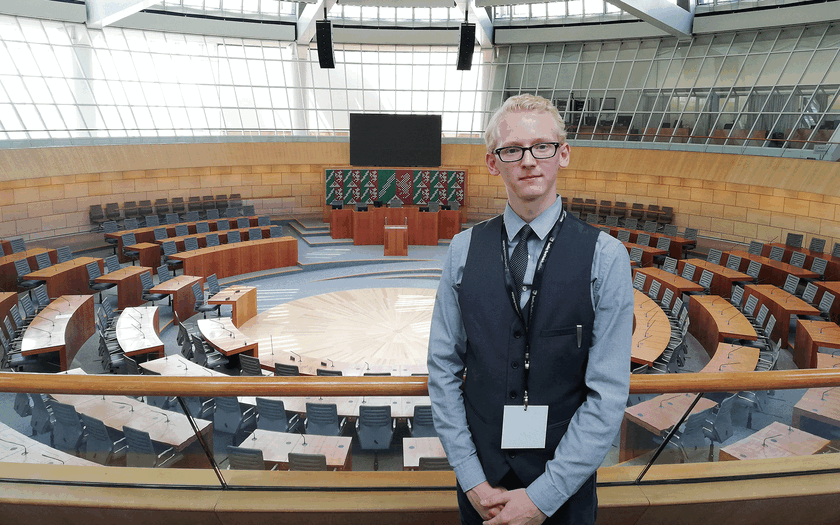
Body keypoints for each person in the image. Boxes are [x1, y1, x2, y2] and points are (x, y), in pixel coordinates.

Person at [427, 94, 633, 525]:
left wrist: (544, 496)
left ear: (564, 153)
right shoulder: (463, 250)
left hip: (564, 491)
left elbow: (607, 394)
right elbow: (443, 371)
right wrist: (470, 478)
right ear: (492, 162)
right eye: (512, 150)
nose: (528, 161)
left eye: (542, 146)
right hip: (482, 487)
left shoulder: (607, 257)